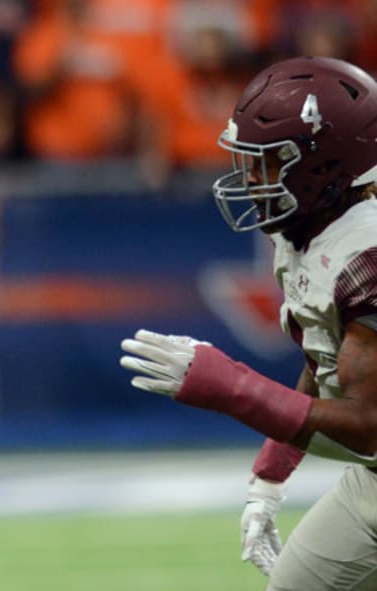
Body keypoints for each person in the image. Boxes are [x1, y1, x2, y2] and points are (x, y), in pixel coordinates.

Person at [119, 55, 377, 590]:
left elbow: (369, 427)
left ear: (322, 165)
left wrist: (228, 386)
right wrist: (269, 479)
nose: (249, 178)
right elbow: (324, 363)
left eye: (267, 163)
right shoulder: (306, 232)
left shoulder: (368, 255)